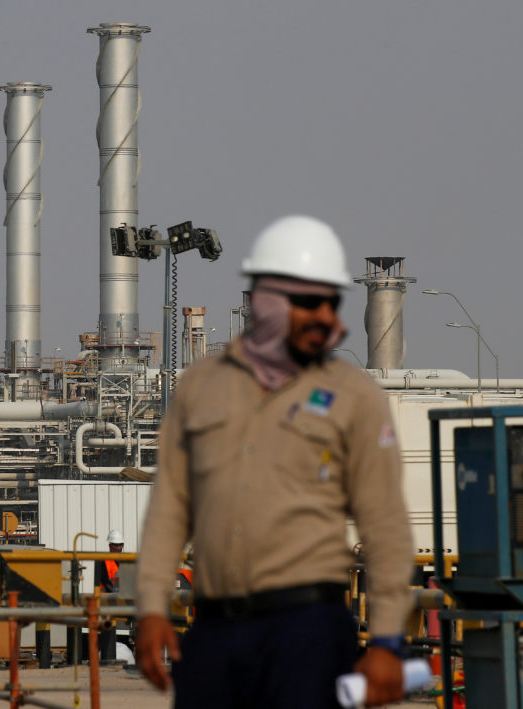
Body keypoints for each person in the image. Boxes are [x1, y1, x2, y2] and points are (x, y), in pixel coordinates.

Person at [134, 215, 414, 708]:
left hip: (308, 632)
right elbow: (170, 508)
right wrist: (151, 607)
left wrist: (389, 640)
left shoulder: (353, 397)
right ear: (264, 299)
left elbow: (385, 526)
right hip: (215, 629)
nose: (325, 316)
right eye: (309, 302)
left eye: (330, 302)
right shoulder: (202, 387)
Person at [96, 529, 125, 661]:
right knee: (107, 632)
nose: (118, 548)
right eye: (116, 545)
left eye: (120, 545)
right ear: (110, 546)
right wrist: (115, 594)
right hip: (106, 602)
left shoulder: (125, 560)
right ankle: (106, 657)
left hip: (119, 602)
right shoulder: (104, 561)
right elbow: (105, 581)